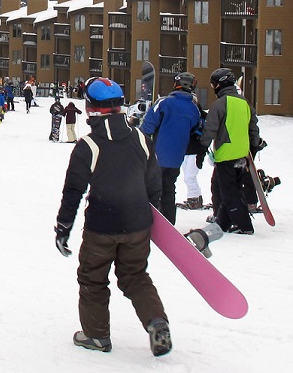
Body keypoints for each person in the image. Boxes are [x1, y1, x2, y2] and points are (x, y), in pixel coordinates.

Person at [54, 77, 171, 357]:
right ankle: (157, 322)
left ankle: (96, 336)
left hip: (101, 228)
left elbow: (74, 191)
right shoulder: (142, 139)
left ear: (90, 108)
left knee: (93, 278)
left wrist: (63, 227)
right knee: (135, 276)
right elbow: (154, 184)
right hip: (137, 225)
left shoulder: (88, 145)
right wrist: (150, 217)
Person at [200, 68, 262, 235]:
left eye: (213, 84)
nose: (213, 88)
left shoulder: (220, 104)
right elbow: (253, 127)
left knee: (228, 193)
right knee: (232, 189)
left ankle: (245, 225)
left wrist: (201, 147)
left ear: (220, 84)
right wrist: (254, 146)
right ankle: (223, 223)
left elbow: (210, 129)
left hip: (226, 155)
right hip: (242, 154)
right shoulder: (244, 103)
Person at [139, 72, 201, 224]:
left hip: (157, 155)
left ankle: (149, 219)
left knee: (151, 187)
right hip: (177, 156)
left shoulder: (164, 103)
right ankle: (168, 221)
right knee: (168, 187)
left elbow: (147, 126)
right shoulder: (194, 109)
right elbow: (197, 129)